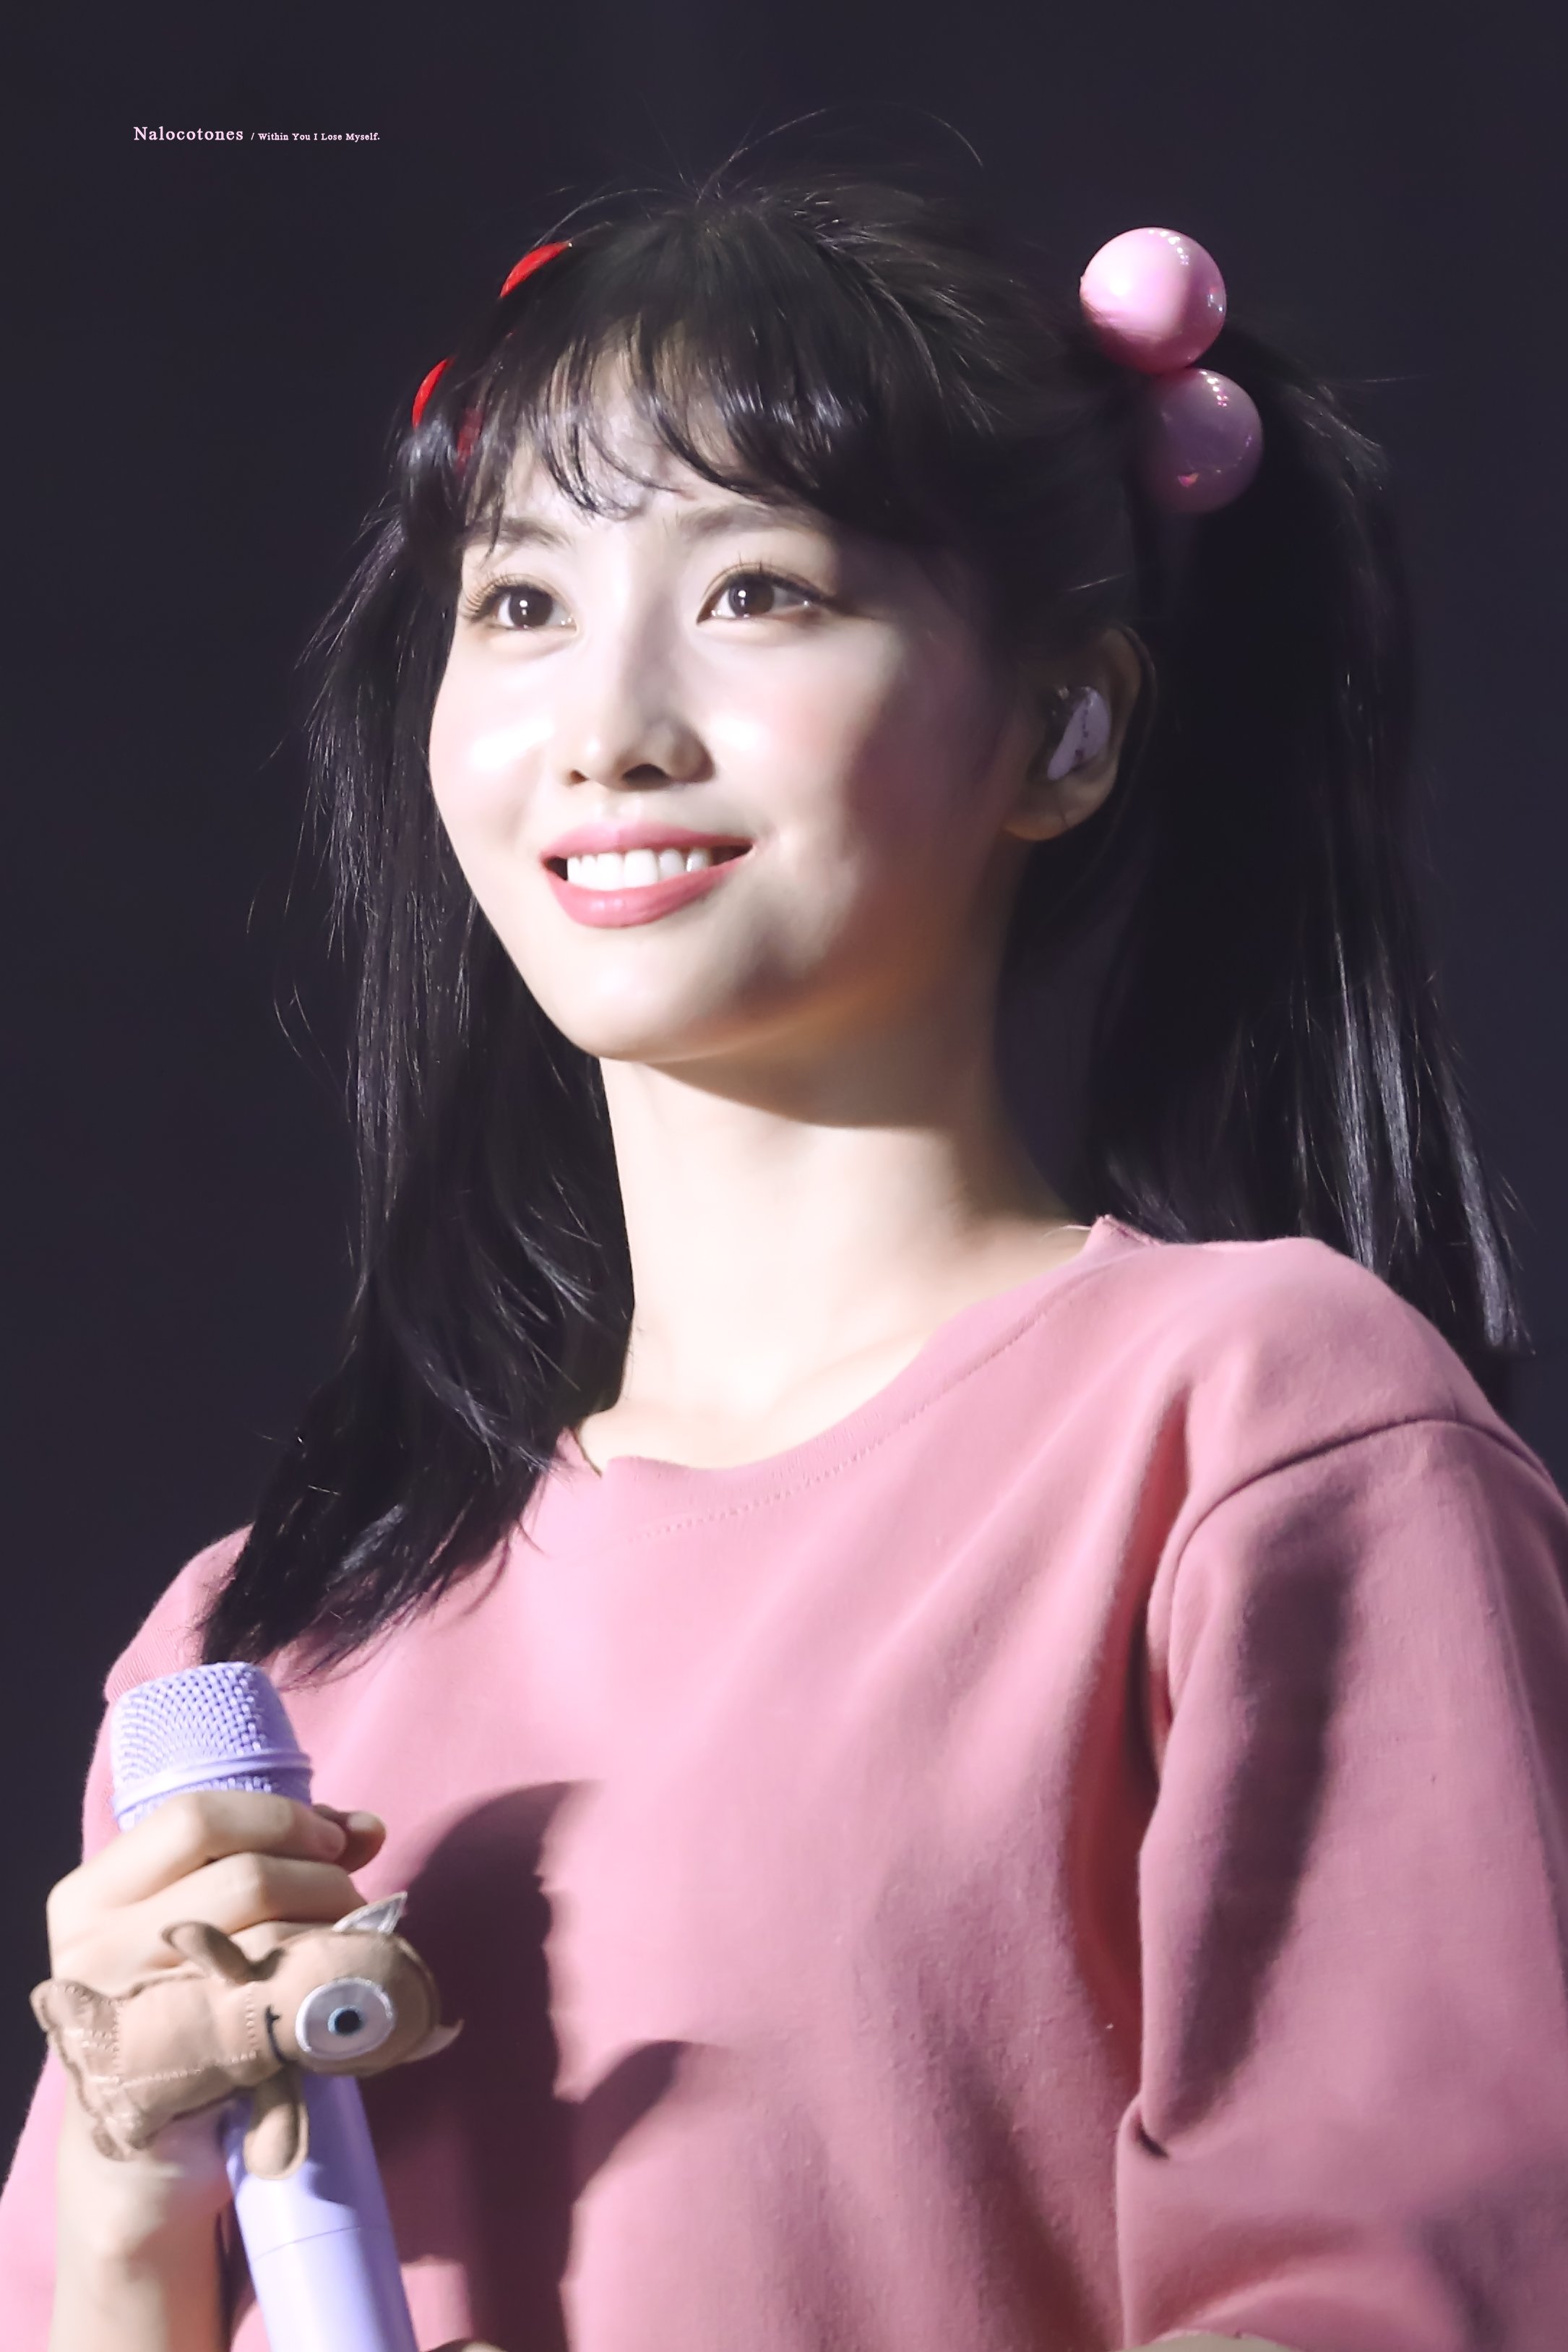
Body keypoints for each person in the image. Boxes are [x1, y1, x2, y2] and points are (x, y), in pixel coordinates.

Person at [4, 170, 1567, 2352]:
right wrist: (118, 2202)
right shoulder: (259, 1649)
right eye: (520, 601)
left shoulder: (1254, 1421)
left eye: (756, 589)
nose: (608, 725)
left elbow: (1386, 2303)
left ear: (1064, 726)